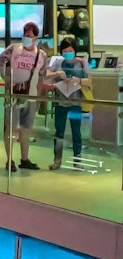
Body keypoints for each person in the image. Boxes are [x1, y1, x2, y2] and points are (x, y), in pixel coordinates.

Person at [0, 20, 47, 172]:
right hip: (12, 95)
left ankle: (25, 159)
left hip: (30, 96)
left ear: (36, 38)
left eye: (29, 35)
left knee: (26, 129)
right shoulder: (13, 49)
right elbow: (1, 61)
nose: (26, 37)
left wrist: (39, 97)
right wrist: (6, 80)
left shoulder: (41, 55)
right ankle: (9, 159)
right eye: (24, 35)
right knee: (11, 128)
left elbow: (41, 76)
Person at [46, 35, 90, 170]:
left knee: (76, 132)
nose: (67, 53)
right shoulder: (58, 63)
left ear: (75, 50)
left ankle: (77, 160)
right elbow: (45, 74)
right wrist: (57, 73)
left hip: (75, 104)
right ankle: (57, 160)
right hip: (60, 103)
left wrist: (79, 80)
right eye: (64, 51)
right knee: (59, 132)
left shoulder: (82, 63)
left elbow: (89, 81)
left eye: (70, 50)